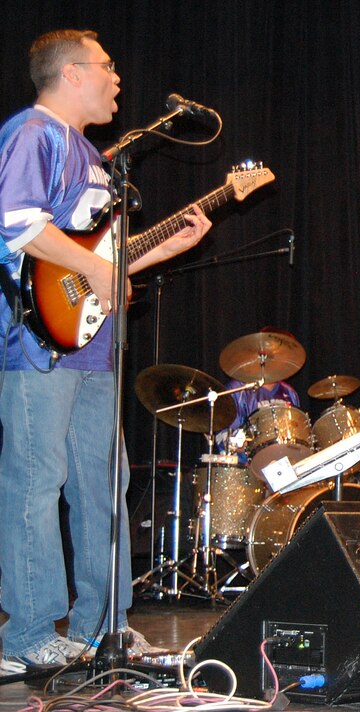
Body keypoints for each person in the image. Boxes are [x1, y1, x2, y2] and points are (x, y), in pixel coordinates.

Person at [0, 29, 212, 669]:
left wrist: (163, 247)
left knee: (102, 485)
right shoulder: (34, 134)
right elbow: (17, 223)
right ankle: (28, 634)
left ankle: (103, 628)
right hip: (37, 343)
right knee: (37, 482)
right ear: (70, 73)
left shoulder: (93, 156)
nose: (117, 78)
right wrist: (95, 268)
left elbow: (99, 262)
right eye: (106, 66)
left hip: (92, 344)